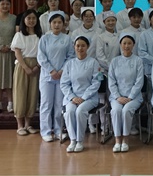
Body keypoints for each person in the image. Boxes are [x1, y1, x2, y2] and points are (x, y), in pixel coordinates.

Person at [61, 35, 102, 153]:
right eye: (78, 46)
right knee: (69, 112)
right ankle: (72, 140)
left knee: (80, 111)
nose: (80, 48)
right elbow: (64, 84)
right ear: (74, 47)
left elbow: (97, 82)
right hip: (72, 98)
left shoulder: (94, 63)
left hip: (89, 98)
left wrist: (83, 97)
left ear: (87, 47)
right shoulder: (69, 64)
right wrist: (73, 97)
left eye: (83, 46)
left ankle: (80, 141)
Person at [37, 13, 74, 142]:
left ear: (64, 24)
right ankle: (46, 131)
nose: (57, 25)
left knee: (59, 104)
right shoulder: (44, 38)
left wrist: (62, 70)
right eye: (54, 22)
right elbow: (41, 57)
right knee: (46, 104)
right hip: (47, 77)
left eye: (59, 22)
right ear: (50, 24)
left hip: (62, 77)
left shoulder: (67, 39)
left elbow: (70, 56)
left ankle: (59, 130)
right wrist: (52, 71)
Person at [108, 33, 145, 153]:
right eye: (124, 43)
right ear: (120, 44)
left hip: (134, 97)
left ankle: (125, 139)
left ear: (133, 45)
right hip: (116, 97)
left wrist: (130, 97)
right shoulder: (114, 61)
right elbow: (111, 82)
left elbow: (139, 82)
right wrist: (118, 96)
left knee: (126, 110)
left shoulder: (138, 61)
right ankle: (117, 140)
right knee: (116, 111)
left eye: (129, 43)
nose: (126, 46)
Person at [11, 9, 42, 136]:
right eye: (28, 18)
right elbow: (17, 52)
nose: (31, 21)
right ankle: (20, 125)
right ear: (24, 20)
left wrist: (37, 66)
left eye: (34, 18)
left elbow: (43, 53)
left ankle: (28, 124)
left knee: (32, 95)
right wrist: (26, 67)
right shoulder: (19, 35)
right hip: (22, 65)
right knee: (21, 93)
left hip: (36, 65)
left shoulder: (40, 36)